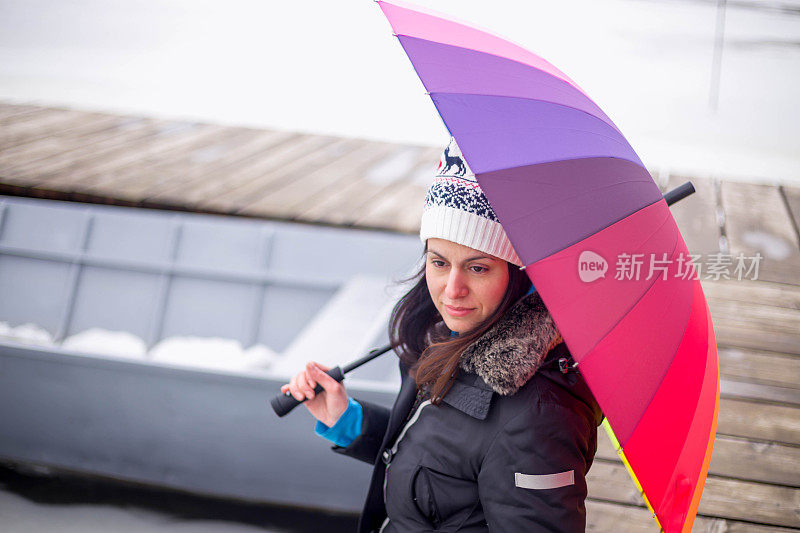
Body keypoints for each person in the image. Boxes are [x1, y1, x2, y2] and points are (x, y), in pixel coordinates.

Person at [281, 138, 603, 532]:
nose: (452, 290)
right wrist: (349, 421)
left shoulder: (538, 416)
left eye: (478, 268)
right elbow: (442, 462)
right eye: (439, 262)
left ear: (520, 274)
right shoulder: (448, 338)